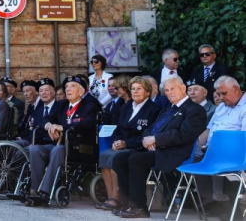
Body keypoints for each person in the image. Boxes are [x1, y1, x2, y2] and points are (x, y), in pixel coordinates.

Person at [111, 76, 207, 218]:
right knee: (120, 159)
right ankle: (127, 204)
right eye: (166, 90)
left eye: (172, 89)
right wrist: (146, 139)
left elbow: (184, 135)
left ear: (183, 88)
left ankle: (139, 208)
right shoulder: (168, 108)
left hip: (175, 153)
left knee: (136, 159)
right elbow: (151, 128)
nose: (169, 93)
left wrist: (156, 140)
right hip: (156, 149)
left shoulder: (194, 110)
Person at [19, 75, 101, 207]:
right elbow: (45, 119)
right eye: (66, 86)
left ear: (81, 91)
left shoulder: (89, 105)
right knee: (35, 149)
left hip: (81, 147)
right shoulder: (62, 105)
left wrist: (62, 127)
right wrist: (49, 126)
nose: (68, 89)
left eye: (72, 86)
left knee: (57, 150)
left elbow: (87, 124)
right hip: (61, 144)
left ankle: (45, 192)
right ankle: (34, 191)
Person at [95, 76, 160, 211]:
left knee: (116, 158)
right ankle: (110, 196)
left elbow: (146, 135)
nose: (135, 92)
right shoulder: (126, 107)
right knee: (104, 155)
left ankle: (117, 198)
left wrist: (125, 144)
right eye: (133, 89)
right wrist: (116, 142)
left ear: (147, 92)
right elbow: (119, 129)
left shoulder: (154, 109)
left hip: (138, 148)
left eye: (139, 89)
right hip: (123, 145)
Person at [194, 76, 246, 206]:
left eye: (224, 93)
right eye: (218, 94)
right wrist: (201, 144)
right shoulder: (221, 107)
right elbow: (208, 129)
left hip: (235, 153)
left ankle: (226, 204)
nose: (221, 98)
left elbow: (242, 138)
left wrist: (215, 147)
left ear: (235, 89)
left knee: (213, 163)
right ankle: (213, 200)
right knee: (192, 156)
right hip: (212, 151)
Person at [15, 78, 58, 146]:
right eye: (41, 91)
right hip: (34, 141)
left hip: (53, 143)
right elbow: (31, 125)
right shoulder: (36, 108)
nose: (43, 93)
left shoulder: (59, 106)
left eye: (46, 90)